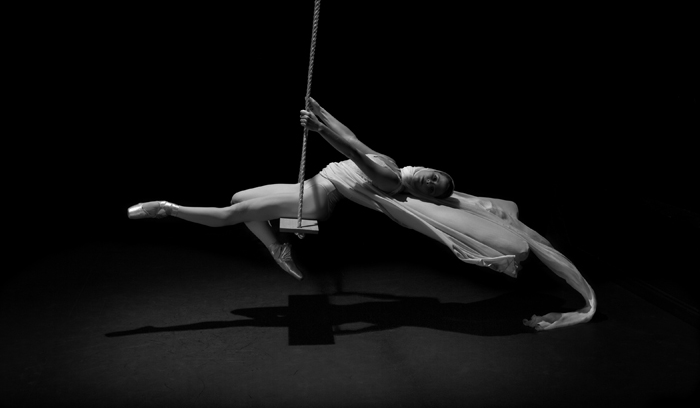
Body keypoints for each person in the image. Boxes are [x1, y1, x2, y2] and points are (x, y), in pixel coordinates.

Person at [128, 98, 596, 331]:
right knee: (238, 196)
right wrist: (322, 111)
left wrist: (320, 129)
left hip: (315, 197)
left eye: (432, 187)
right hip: (314, 190)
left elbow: (351, 150)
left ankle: (168, 209)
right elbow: (354, 137)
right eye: (436, 176)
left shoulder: (391, 179)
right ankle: (278, 247)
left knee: (232, 213)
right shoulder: (395, 163)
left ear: (421, 192)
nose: (431, 180)